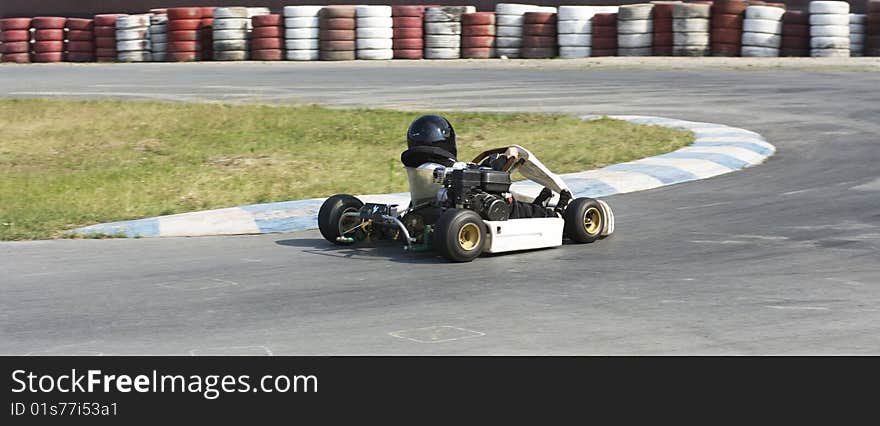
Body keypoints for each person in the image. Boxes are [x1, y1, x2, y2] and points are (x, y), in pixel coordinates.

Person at [401, 114, 571, 218]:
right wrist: (503, 159)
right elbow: (483, 174)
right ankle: (556, 214)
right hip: (470, 210)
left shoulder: (418, 169)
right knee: (509, 205)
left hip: (432, 211)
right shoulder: (451, 170)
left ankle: (538, 204)